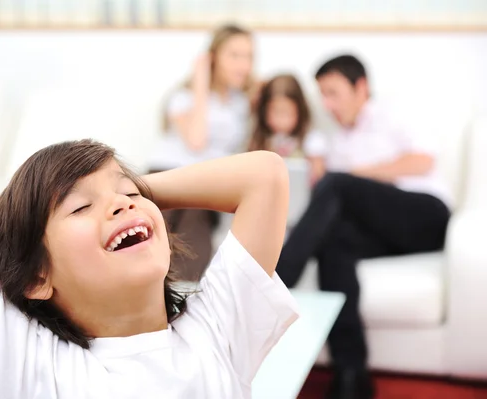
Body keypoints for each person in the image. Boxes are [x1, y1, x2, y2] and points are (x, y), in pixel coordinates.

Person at [0, 140, 298, 399]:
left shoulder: (215, 331)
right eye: (79, 208)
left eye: (129, 194)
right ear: (37, 278)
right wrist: (25, 213)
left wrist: (138, 190)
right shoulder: (35, 366)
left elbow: (264, 175)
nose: (122, 204)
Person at [274, 55, 451, 399]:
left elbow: (423, 160)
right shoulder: (337, 141)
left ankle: (277, 280)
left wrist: (351, 177)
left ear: (361, 88)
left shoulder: (393, 114)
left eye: (333, 93)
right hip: (384, 233)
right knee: (333, 242)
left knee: (338, 184)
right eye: (321, 95)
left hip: (426, 216)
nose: (327, 104)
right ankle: (351, 373)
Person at [148, 24, 253, 281]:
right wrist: (201, 82)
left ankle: (177, 299)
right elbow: (196, 141)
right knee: (159, 227)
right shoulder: (184, 97)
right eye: (235, 56)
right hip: (167, 172)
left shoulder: (240, 103)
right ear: (213, 57)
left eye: (249, 56)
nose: (244, 65)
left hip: (205, 183)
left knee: (195, 222)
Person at [249, 74, 325, 184]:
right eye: (276, 112)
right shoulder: (262, 140)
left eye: (287, 113)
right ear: (264, 111)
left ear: (300, 111)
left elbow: (319, 179)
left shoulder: (312, 141)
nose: (281, 121)